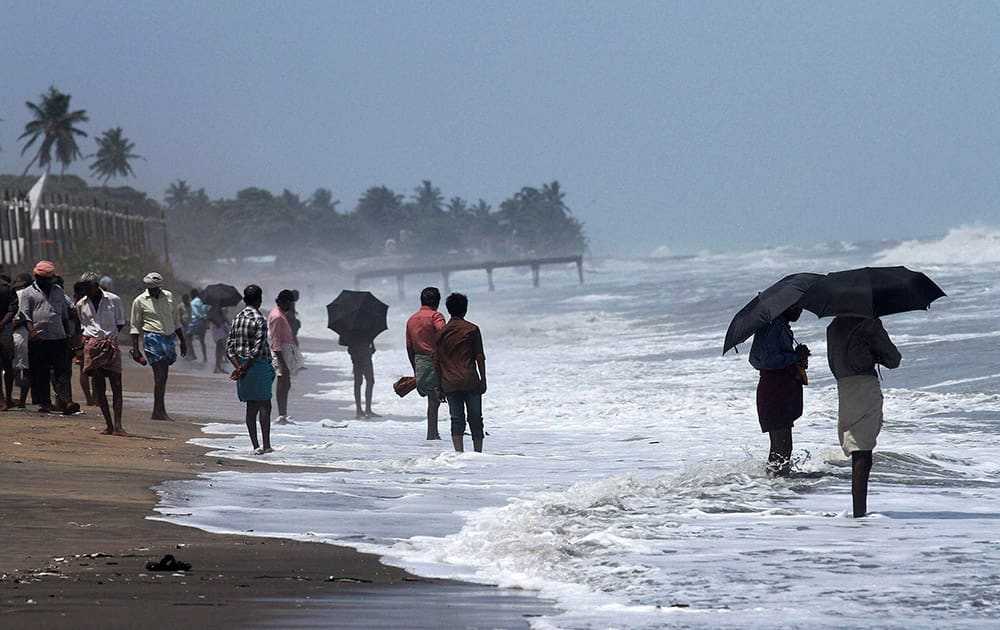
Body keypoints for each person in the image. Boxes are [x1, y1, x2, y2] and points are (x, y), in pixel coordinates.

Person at [827, 316, 901, 518]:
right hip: (864, 386)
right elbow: (893, 359)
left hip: (844, 387)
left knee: (857, 448)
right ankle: (859, 514)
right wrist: (875, 354)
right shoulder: (868, 322)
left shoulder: (833, 325)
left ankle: (859, 510)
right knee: (863, 451)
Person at [749, 304, 810, 477]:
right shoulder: (771, 327)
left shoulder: (781, 326)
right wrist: (794, 356)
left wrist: (797, 357)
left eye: (800, 307)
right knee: (782, 445)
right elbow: (762, 360)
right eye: (794, 307)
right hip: (774, 391)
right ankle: (776, 484)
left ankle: (776, 483)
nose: (799, 311)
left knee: (782, 445)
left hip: (781, 390)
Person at [18, 261, 79, 415]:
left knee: (62, 371)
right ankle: (45, 403)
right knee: (40, 372)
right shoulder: (28, 293)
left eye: (49, 279)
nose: (47, 282)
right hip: (38, 338)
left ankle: (67, 402)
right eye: (43, 279)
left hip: (58, 337)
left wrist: (68, 336)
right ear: (37, 277)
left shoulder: (58, 291)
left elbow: (64, 315)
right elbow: (25, 315)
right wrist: (31, 331)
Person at [130, 272, 187, 420]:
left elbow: (175, 320)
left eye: (155, 288)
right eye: (150, 288)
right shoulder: (139, 301)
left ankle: (159, 410)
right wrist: (136, 350)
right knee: (160, 375)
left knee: (163, 376)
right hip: (152, 338)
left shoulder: (168, 297)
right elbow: (135, 326)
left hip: (169, 338)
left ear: (159, 286)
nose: (153, 290)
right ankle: (158, 411)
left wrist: (183, 340)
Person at [434, 292, 487, 453]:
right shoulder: (472, 329)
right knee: (475, 419)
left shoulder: (441, 333)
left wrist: (439, 386)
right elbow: (479, 357)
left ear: (449, 310)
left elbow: (437, 362)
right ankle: (478, 453)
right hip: (470, 380)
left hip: (450, 382)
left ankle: (459, 454)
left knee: (456, 420)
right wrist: (483, 380)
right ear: (465, 309)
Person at [226, 284, 276, 455]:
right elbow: (257, 349)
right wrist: (245, 367)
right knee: (265, 405)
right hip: (257, 365)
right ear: (259, 300)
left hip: (241, 365)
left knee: (251, 406)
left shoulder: (237, 318)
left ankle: (255, 446)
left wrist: (239, 368)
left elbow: (229, 348)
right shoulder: (259, 319)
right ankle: (267, 445)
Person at [76, 272, 127, 436]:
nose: (86, 291)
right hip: (92, 345)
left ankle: (118, 425)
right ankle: (109, 425)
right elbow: (83, 326)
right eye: (84, 288)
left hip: (110, 344)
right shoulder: (81, 304)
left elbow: (120, 322)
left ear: (96, 286)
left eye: (88, 287)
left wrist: (109, 337)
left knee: (117, 385)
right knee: (99, 387)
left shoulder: (113, 300)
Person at [406, 287, 446, 440]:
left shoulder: (411, 319)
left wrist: (415, 368)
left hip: (419, 361)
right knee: (443, 397)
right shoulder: (436, 316)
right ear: (437, 302)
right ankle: (435, 433)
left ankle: (433, 433)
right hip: (436, 360)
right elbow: (443, 334)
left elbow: (409, 347)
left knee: (432, 399)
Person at [268, 289, 300, 424]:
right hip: (281, 352)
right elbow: (275, 341)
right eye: (289, 303)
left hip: (286, 350)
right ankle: (281, 414)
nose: (290, 306)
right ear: (283, 302)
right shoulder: (277, 316)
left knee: (286, 383)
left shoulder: (281, 314)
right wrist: (282, 362)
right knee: (282, 381)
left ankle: (284, 413)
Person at [10, 273, 33, 408]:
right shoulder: (28, 294)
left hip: (9, 333)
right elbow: (25, 317)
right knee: (26, 369)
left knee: (10, 368)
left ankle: (8, 399)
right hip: (23, 333)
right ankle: (22, 402)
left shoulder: (12, 294)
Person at [0, 274, 18, 410]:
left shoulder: (6, 288)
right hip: (5, 329)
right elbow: (12, 309)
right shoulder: (7, 288)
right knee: (8, 366)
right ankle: (7, 398)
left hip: (4, 329)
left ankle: (2, 399)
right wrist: (2, 323)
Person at [348, 339, 378, 419]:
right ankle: (367, 409)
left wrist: (353, 354)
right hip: (365, 356)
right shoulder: (367, 329)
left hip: (356, 357)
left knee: (358, 383)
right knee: (370, 381)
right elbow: (372, 346)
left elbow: (349, 348)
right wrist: (371, 349)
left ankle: (359, 410)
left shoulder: (350, 330)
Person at [208, 305, 230, 373]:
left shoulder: (215, 318)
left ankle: (217, 367)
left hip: (217, 336)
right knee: (219, 351)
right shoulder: (221, 318)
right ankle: (217, 367)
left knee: (218, 351)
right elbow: (225, 328)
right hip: (221, 336)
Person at [187, 289, 208, 362]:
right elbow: (206, 310)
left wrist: (200, 316)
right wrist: (204, 317)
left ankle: (192, 354)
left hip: (195, 322)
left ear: (192, 295)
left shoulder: (193, 302)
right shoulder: (203, 301)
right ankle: (205, 357)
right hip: (203, 323)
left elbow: (196, 313)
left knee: (188, 336)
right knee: (202, 341)